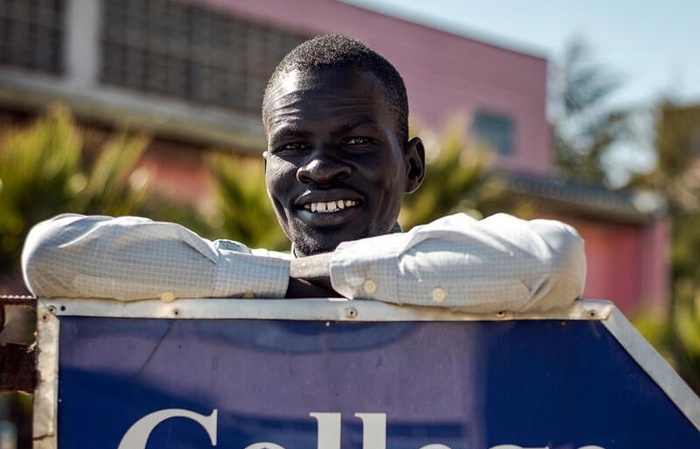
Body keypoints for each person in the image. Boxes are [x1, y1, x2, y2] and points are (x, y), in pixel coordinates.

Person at [21, 35, 585, 313]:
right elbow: (51, 258)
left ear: (411, 166)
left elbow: (553, 263)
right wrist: (281, 280)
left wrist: (331, 275)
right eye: (292, 146)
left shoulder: (466, 273)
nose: (318, 167)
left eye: (358, 142)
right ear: (267, 170)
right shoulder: (231, 280)